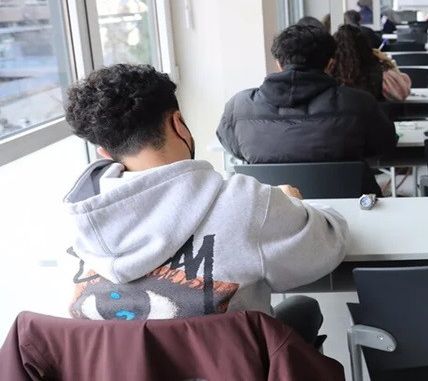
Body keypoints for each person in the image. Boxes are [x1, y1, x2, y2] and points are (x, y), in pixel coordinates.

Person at [62, 64, 347, 347]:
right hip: (234, 367)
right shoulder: (246, 201)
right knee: (302, 308)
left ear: (104, 151)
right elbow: (326, 245)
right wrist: (289, 204)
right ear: (178, 123)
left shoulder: (80, 224)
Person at [217, 24, 398, 195]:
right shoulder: (359, 102)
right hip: (352, 209)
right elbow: (385, 145)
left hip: (271, 213)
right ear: (329, 64)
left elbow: (234, 148)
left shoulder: (239, 106)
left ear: (279, 64)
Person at [330, 25, 412, 102]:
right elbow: (402, 92)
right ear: (366, 47)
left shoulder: (329, 80)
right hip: (376, 117)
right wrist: (389, 64)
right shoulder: (383, 78)